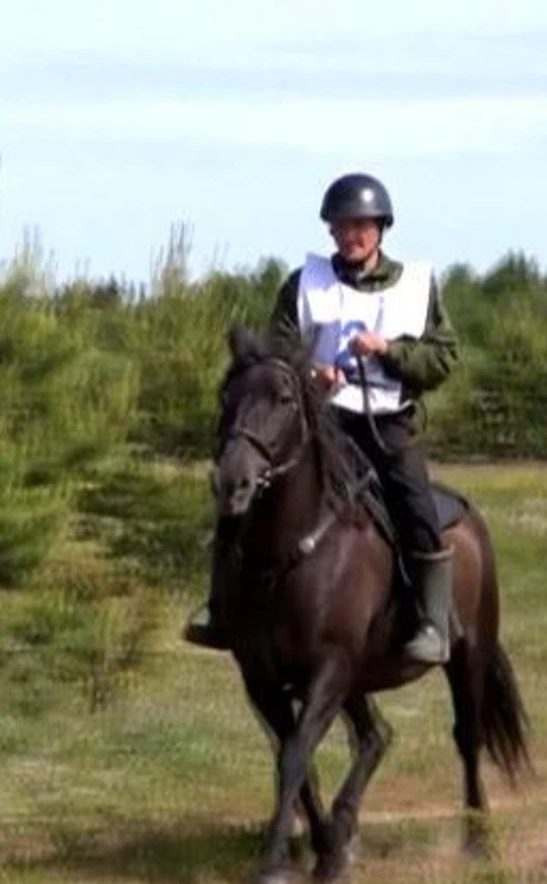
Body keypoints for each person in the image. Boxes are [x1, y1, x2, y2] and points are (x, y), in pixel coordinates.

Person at [184, 172, 461, 664]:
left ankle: (433, 622)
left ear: (380, 229)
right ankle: (221, 607)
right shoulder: (305, 283)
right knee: (242, 490)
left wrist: (389, 351)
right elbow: (278, 352)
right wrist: (313, 373)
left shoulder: (417, 286)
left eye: (359, 226)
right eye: (339, 227)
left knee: (414, 502)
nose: (349, 235)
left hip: (386, 421)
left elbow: (443, 358)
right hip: (319, 422)